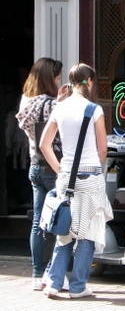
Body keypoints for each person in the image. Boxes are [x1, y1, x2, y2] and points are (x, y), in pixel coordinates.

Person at [39, 63, 113, 299]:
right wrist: (98, 169)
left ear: (70, 83)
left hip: (66, 177)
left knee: (65, 233)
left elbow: (44, 145)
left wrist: (60, 169)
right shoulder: (94, 109)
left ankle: (53, 283)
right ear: (89, 81)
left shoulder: (59, 108)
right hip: (90, 177)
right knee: (87, 234)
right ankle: (78, 287)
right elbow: (103, 149)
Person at [15, 57, 67, 291]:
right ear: (49, 79)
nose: (58, 82)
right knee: (59, 222)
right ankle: (54, 274)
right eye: (57, 78)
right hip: (52, 167)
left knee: (38, 222)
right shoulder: (52, 105)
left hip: (34, 166)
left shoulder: (27, 102)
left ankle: (37, 275)